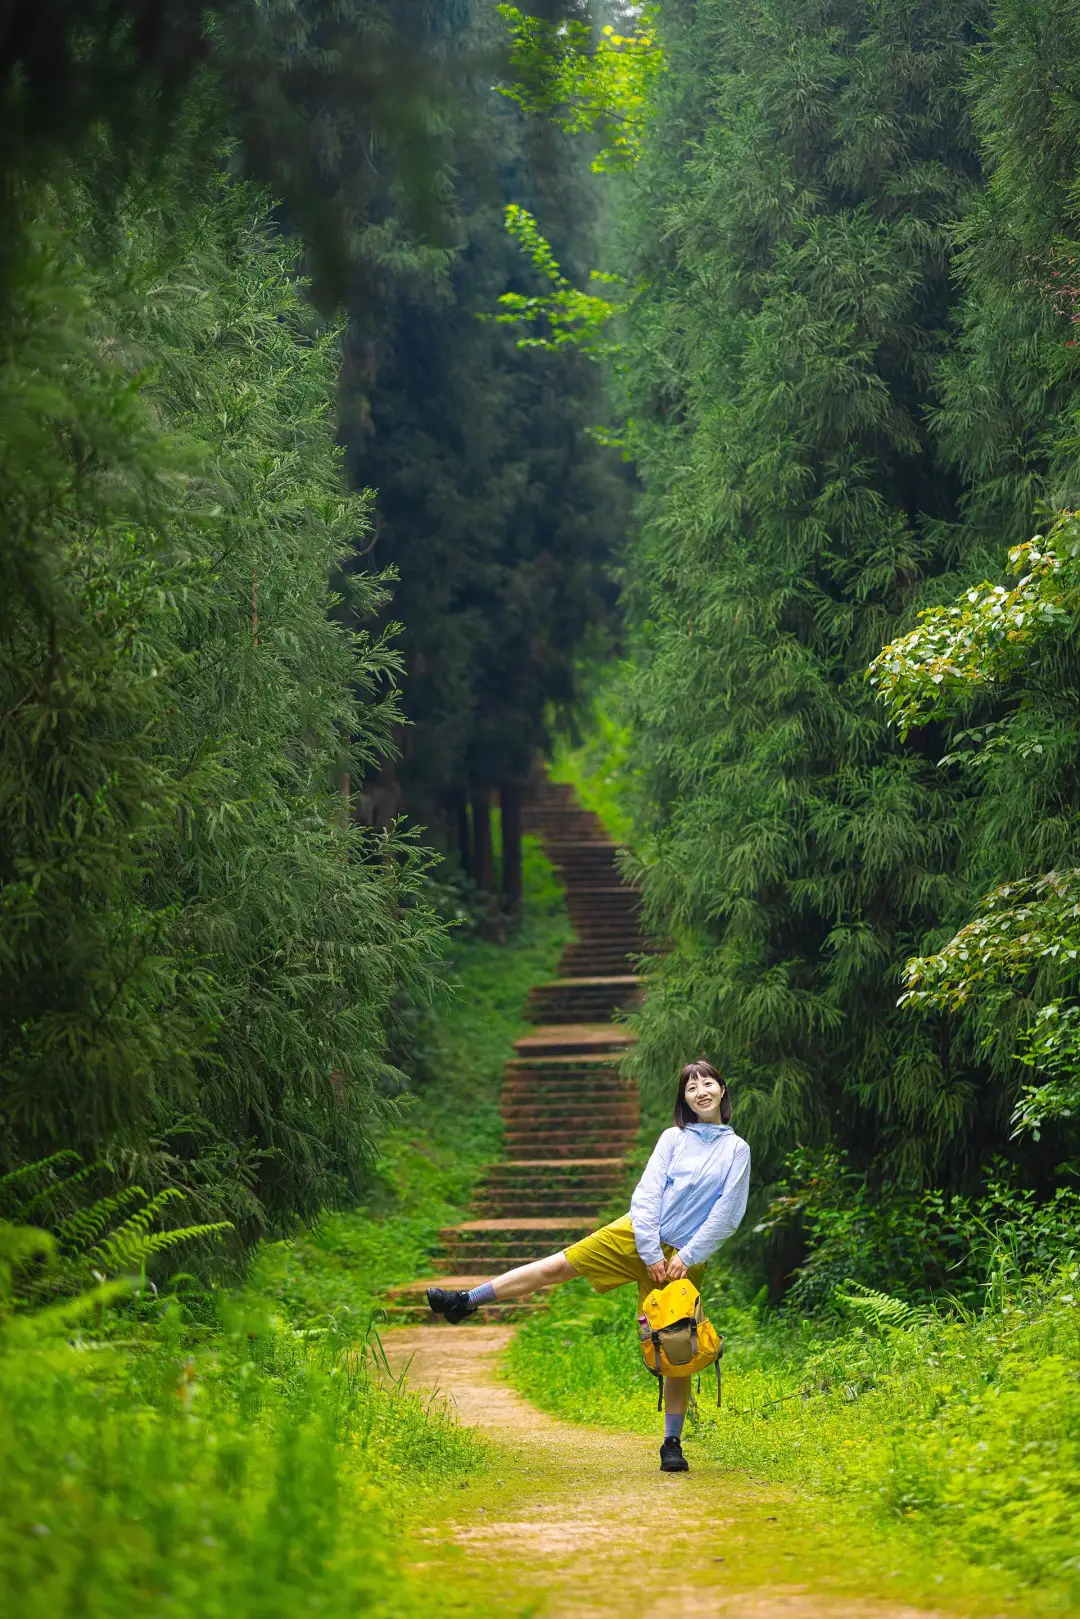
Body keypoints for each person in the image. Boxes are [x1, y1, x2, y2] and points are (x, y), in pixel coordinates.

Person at [428, 1059, 751, 1473]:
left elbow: (727, 1214)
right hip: (638, 1235)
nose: (701, 1091)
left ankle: (672, 1443)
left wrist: (684, 1257)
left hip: (684, 1262)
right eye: (692, 1087)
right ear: (684, 1100)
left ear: (723, 1091)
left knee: (677, 1347)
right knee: (558, 1266)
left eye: (708, 1083)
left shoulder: (735, 1150)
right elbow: (648, 1193)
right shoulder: (673, 1138)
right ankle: (464, 1300)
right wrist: (651, 1251)